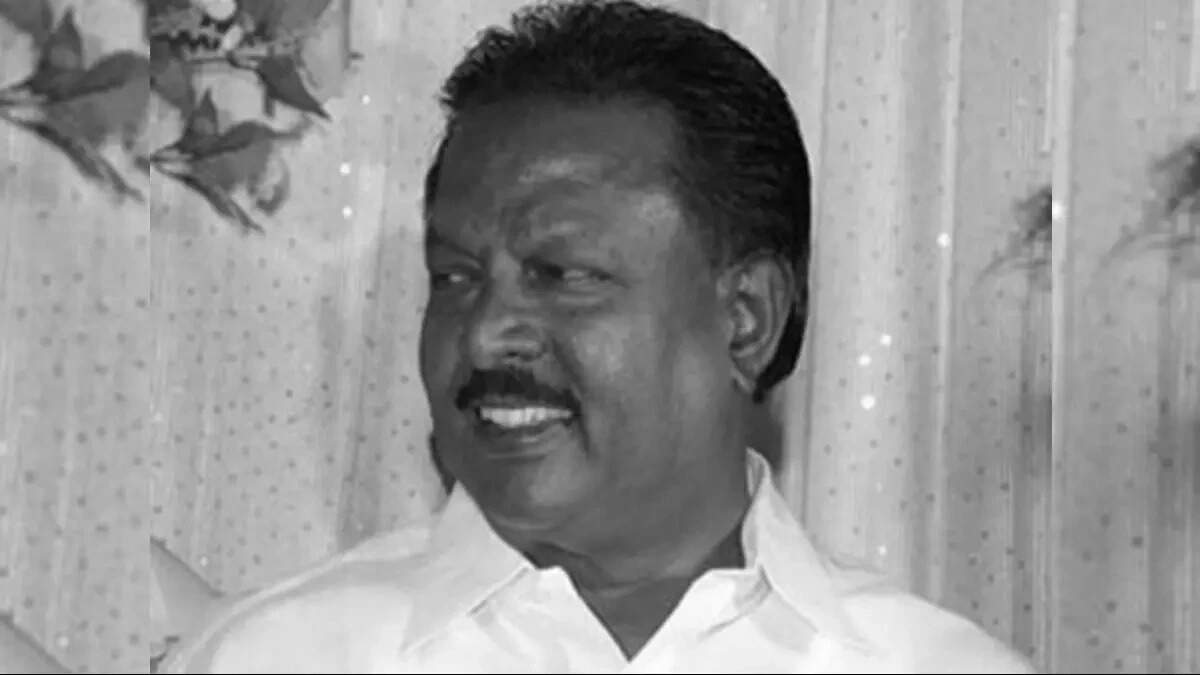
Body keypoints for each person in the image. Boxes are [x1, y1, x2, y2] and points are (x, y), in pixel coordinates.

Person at [163, 1, 1036, 672]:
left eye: (564, 274)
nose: (486, 334)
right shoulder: (275, 654)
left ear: (746, 320)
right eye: (455, 277)